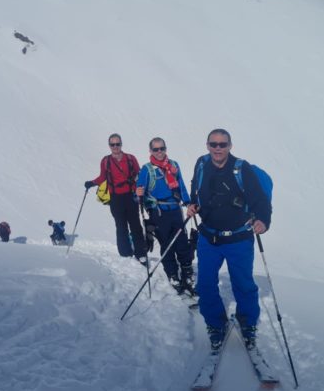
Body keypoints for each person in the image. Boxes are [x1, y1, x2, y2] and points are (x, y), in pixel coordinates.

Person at [186, 129, 272, 350]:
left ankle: (247, 323)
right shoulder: (202, 164)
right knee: (205, 285)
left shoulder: (242, 169)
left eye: (222, 144)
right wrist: (193, 204)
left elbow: (260, 200)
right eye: (213, 144)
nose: (217, 148)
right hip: (208, 237)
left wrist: (263, 220)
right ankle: (215, 324)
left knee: (243, 284)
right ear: (207, 145)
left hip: (238, 239)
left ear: (230, 146)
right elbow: (196, 188)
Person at [136, 138, 194, 294]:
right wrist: (138, 193)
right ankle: (172, 273)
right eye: (156, 149)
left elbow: (180, 185)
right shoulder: (147, 170)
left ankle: (187, 272)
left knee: (182, 241)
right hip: (159, 212)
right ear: (151, 151)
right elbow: (138, 192)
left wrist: (188, 202)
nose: (159, 152)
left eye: (162, 148)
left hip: (175, 209)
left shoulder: (173, 165)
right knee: (167, 244)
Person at [85, 133, 147, 263]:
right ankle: (125, 253)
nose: (115, 147)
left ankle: (140, 253)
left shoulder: (130, 159)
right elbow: (102, 177)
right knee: (121, 226)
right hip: (115, 198)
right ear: (109, 146)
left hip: (130, 196)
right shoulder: (106, 161)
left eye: (117, 144)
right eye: (112, 144)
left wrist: (140, 189)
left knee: (135, 225)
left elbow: (139, 174)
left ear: (121, 144)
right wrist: (92, 183)